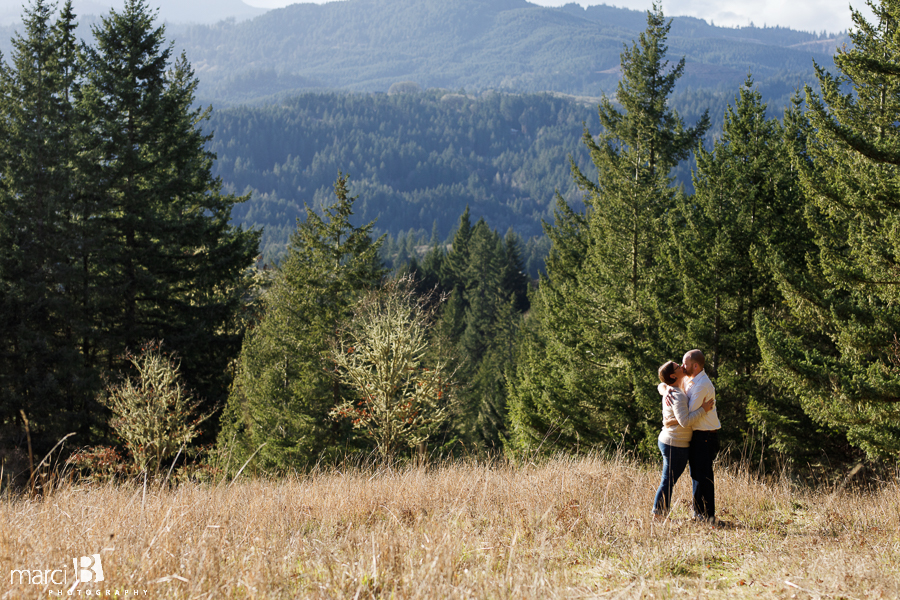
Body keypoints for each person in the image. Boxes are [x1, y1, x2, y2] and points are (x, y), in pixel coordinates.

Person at [652, 360, 715, 519]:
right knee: (668, 480)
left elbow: (662, 385)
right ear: (673, 375)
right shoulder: (677, 395)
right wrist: (703, 409)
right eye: (678, 366)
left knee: (668, 479)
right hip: (675, 443)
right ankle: (658, 513)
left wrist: (664, 387)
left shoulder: (675, 388)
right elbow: (685, 421)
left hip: (672, 441)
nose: (681, 366)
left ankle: (660, 513)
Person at [664, 349, 721, 522]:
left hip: (706, 436)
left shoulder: (702, 384)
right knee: (697, 475)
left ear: (695, 366)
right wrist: (666, 388)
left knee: (703, 476)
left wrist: (670, 421)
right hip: (699, 436)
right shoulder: (690, 379)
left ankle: (707, 516)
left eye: (685, 363)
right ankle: (700, 515)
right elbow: (667, 384)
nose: (682, 366)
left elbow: (687, 415)